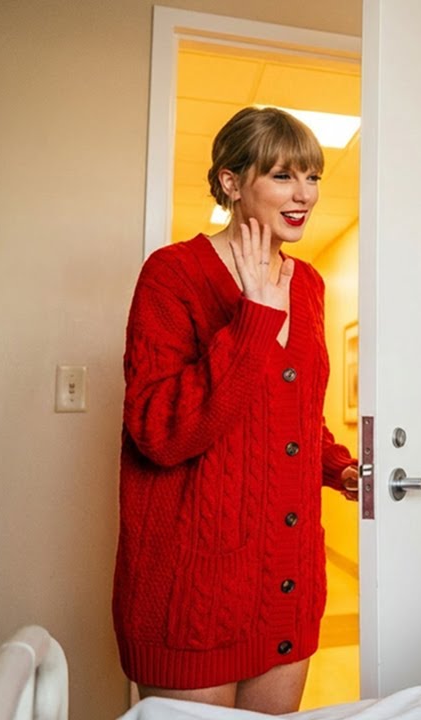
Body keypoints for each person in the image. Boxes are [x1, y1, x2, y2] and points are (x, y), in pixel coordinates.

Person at [112, 107, 358, 712]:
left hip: (286, 584)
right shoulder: (172, 274)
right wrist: (254, 319)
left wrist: (339, 467)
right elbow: (159, 432)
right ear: (231, 181)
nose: (304, 195)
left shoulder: (309, 285)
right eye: (283, 176)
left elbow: (294, 416)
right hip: (194, 589)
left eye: (312, 177)